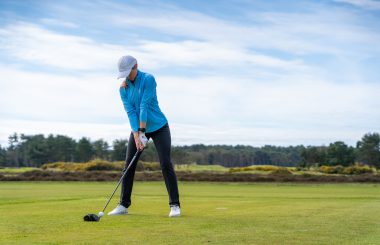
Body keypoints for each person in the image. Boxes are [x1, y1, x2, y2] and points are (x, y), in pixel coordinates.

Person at [108, 55, 181, 217]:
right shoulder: (123, 89)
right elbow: (130, 112)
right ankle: (123, 205)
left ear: (136, 66)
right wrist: (136, 133)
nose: (127, 76)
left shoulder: (148, 79)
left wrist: (142, 131)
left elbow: (144, 106)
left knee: (165, 163)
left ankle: (174, 205)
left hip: (159, 126)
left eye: (129, 72)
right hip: (139, 128)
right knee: (129, 165)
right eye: (124, 73)